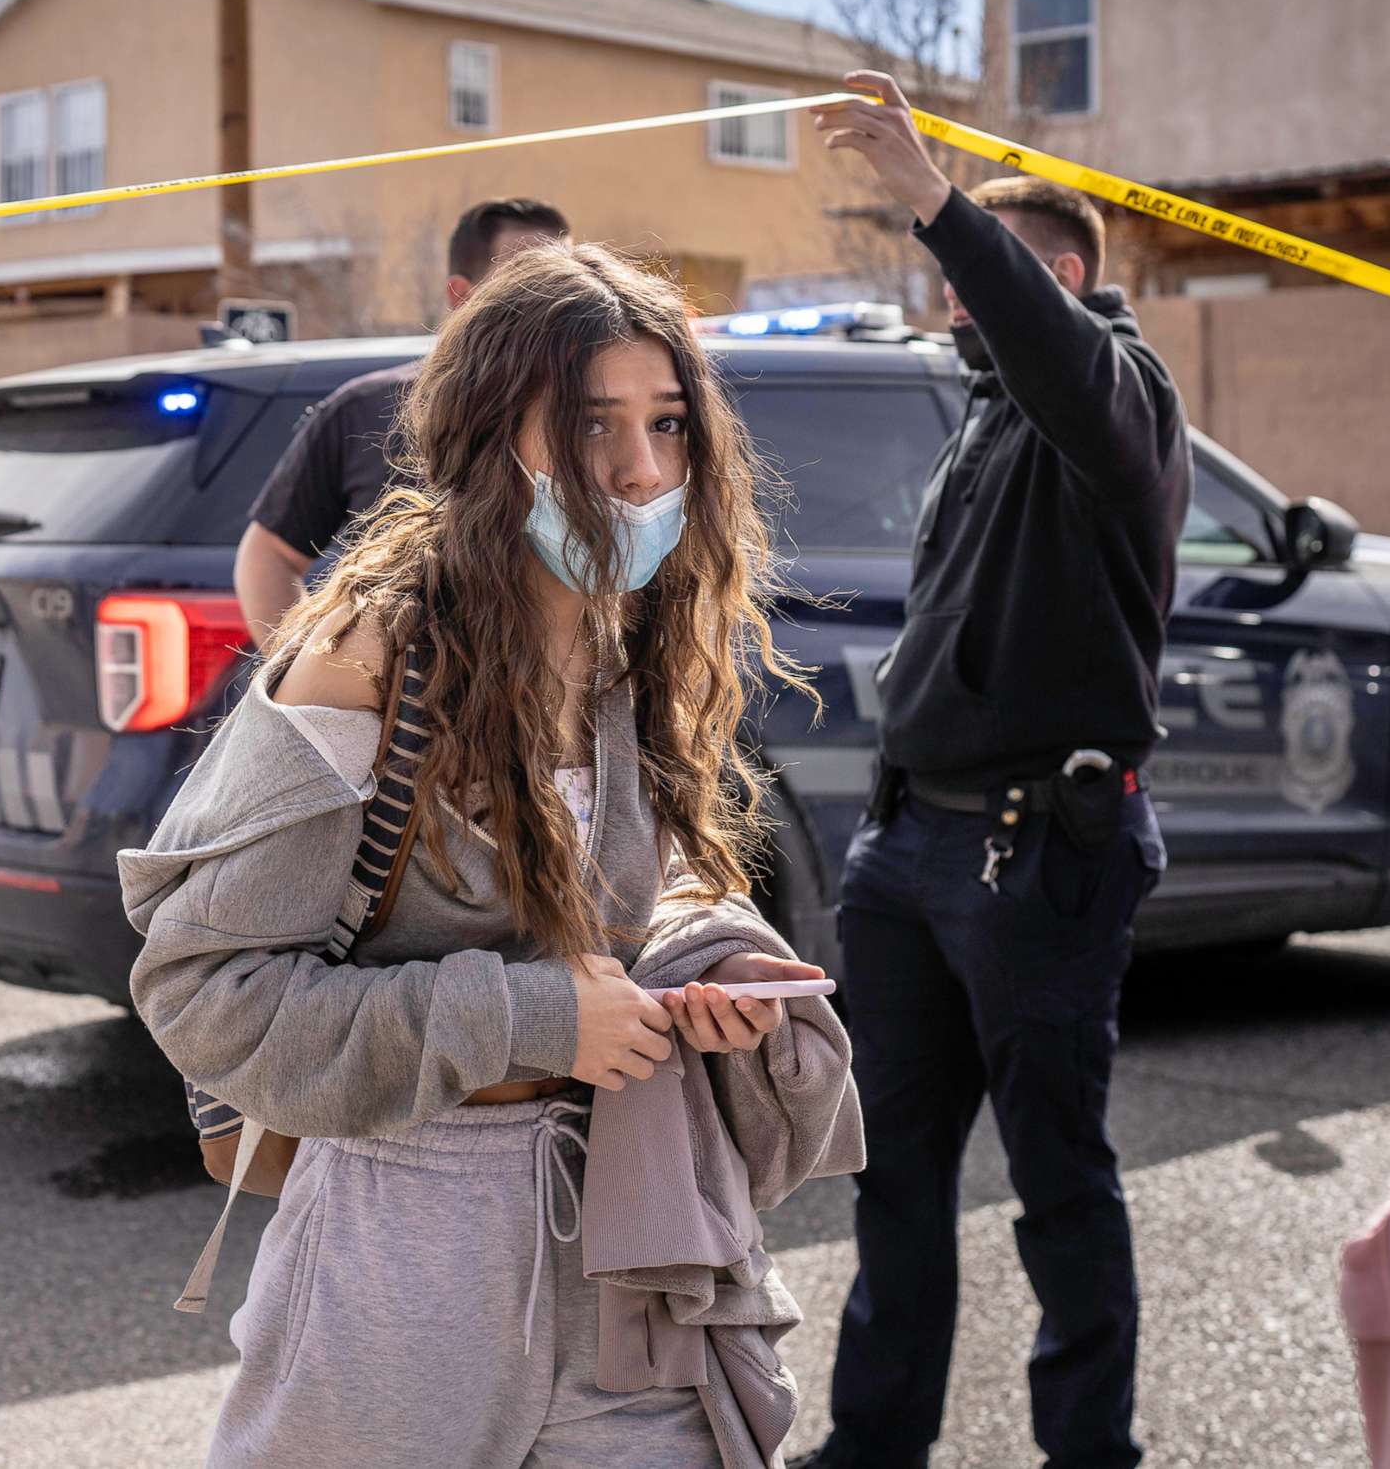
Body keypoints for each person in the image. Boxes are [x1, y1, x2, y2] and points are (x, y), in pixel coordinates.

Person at [124, 244, 860, 1467]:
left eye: (668, 423)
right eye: (589, 425)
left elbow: (621, 893)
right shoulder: (370, 653)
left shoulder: (632, 634)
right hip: (402, 1252)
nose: (640, 469)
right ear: (490, 436)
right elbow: (202, 987)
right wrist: (528, 1014)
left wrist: (704, 961)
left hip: (628, 1224)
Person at [790, 73, 1191, 1469]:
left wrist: (936, 198)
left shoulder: (1116, 404)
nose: (949, 297)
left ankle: (1091, 1451)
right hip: (908, 856)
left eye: (973, 275)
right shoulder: (987, 419)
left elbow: (1058, 354)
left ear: (1057, 277)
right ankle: (871, 1444)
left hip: (1038, 854)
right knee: (893, 1177)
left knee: (1056, 1185)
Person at [234, 195, 570, 642]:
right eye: (524, 284)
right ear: (461, 294)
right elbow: (268, 555)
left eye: (565, 284)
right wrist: (305, 672)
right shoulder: (368, 409)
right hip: (402, 701)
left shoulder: (605, 413)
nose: (552, 304)